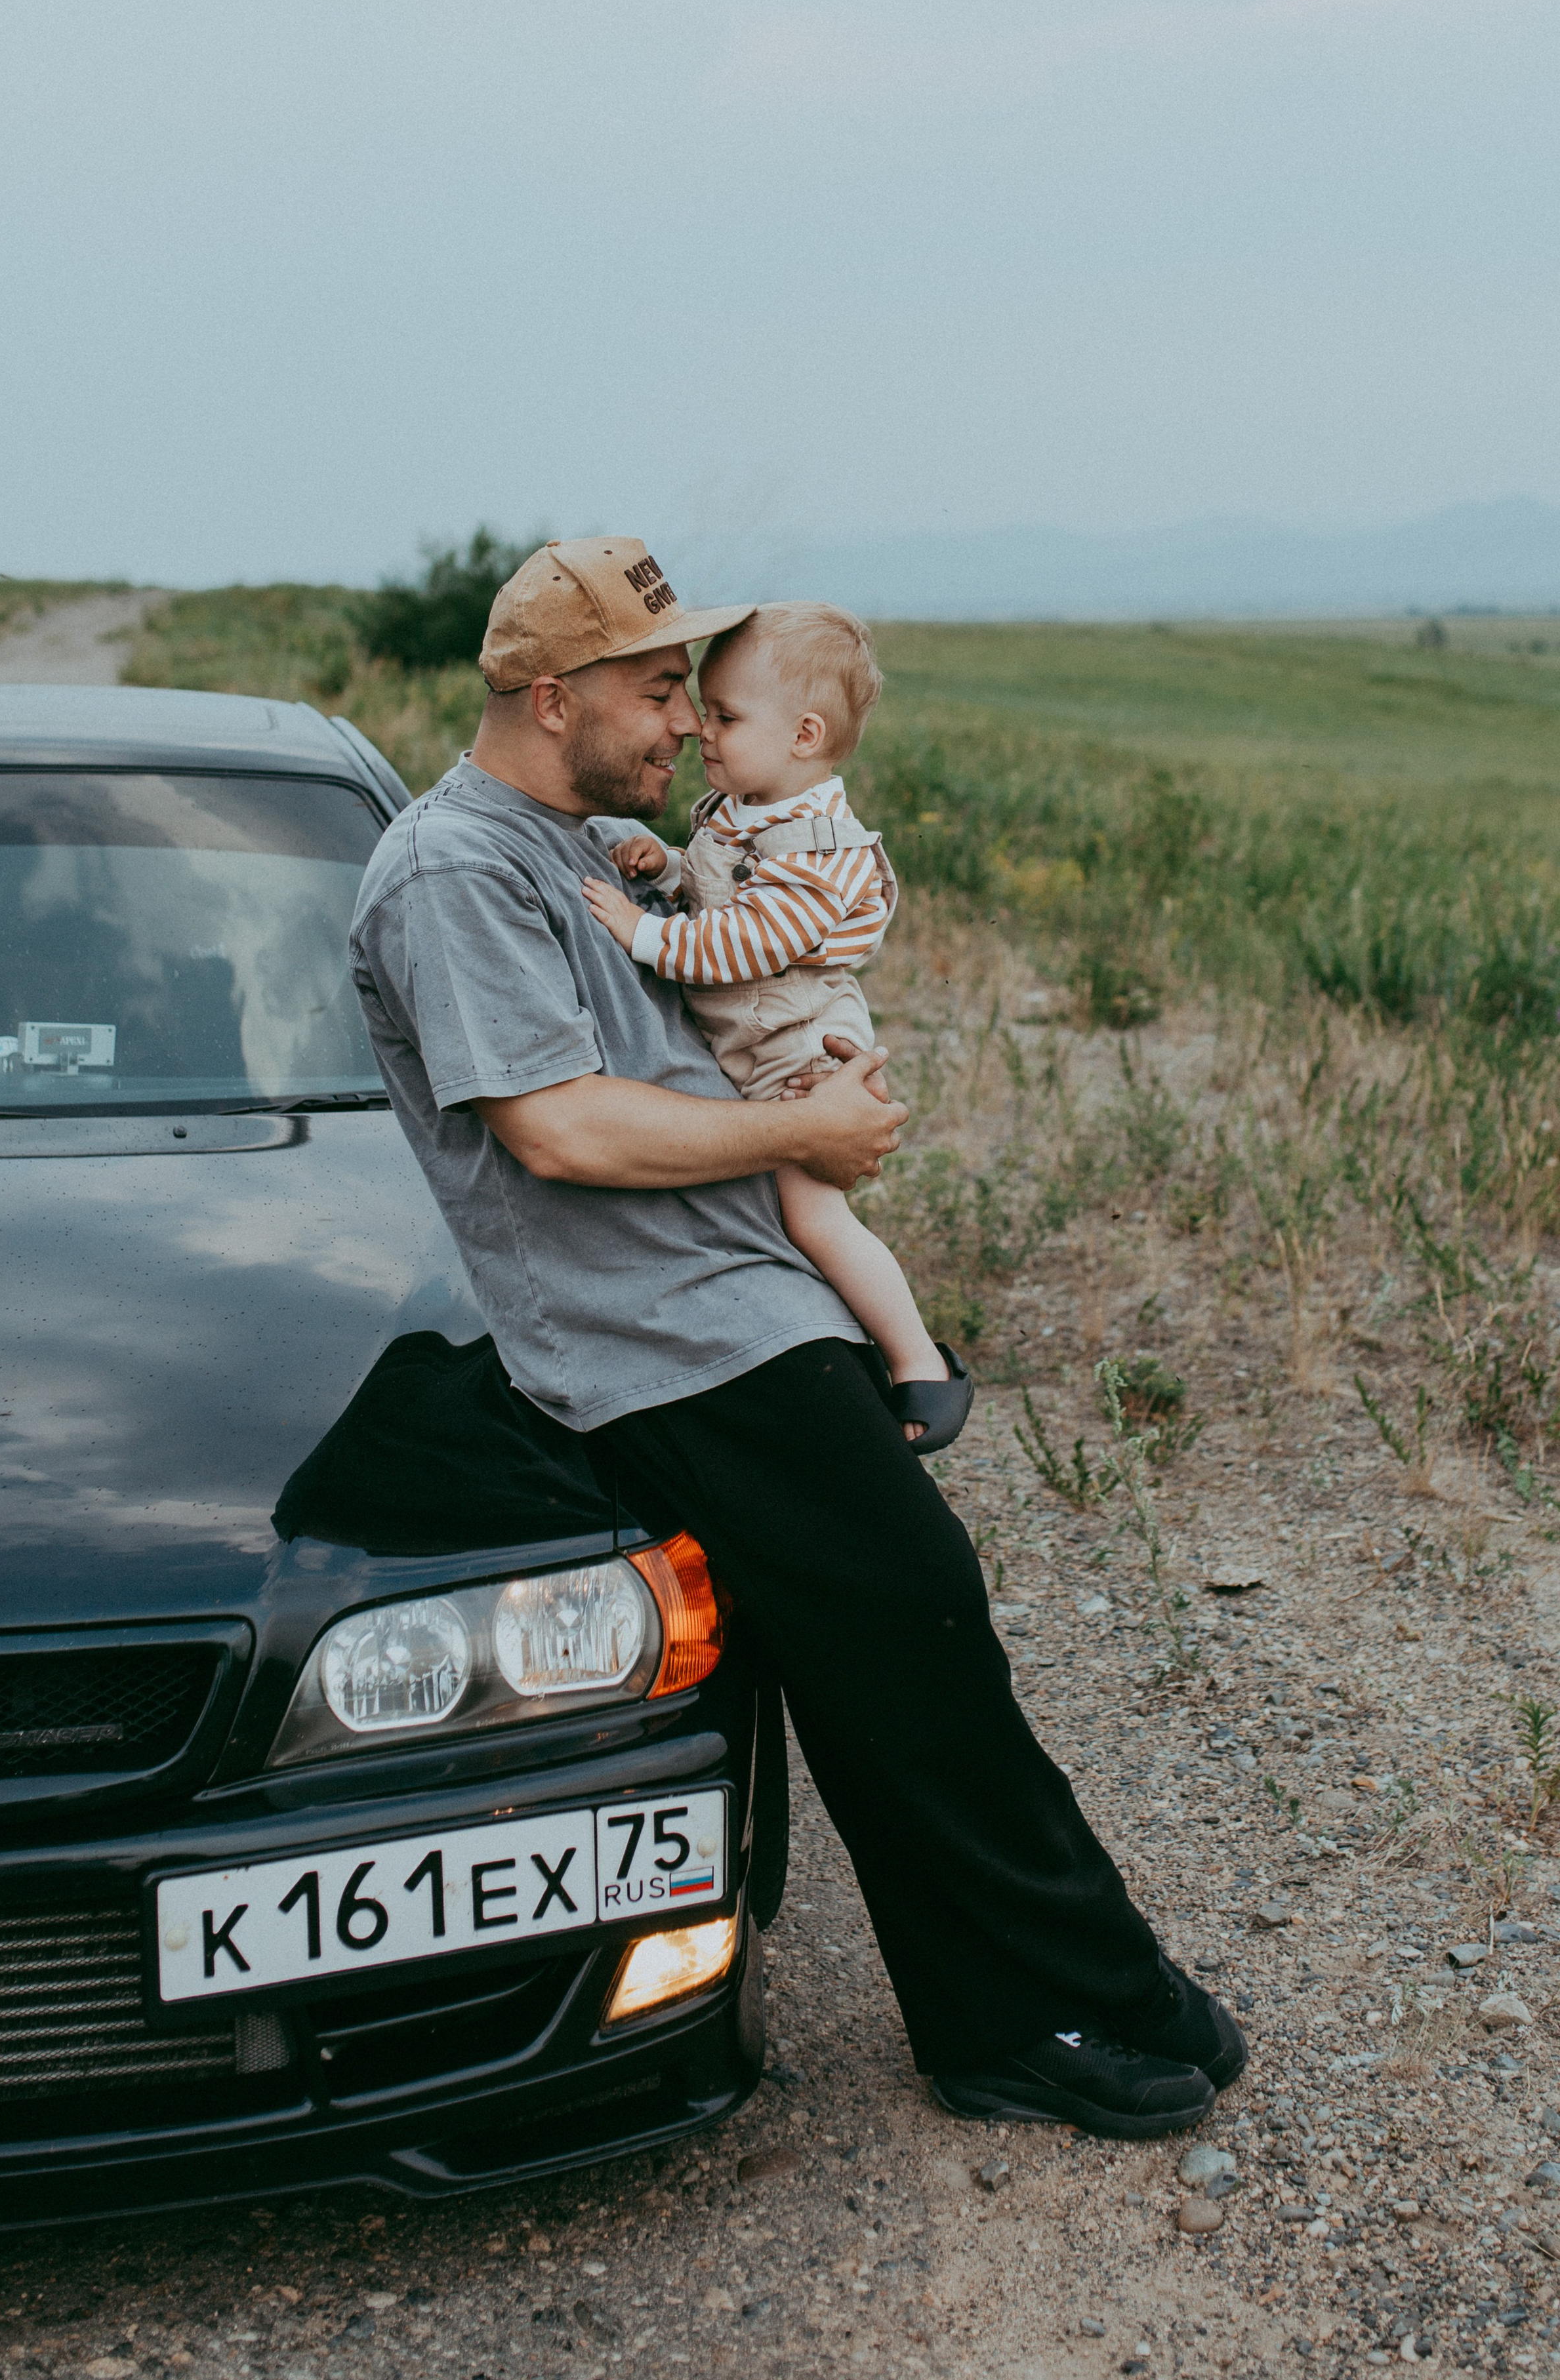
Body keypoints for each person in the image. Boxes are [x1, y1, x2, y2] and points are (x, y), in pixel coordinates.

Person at [348, 536, 1246, 2137]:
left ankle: (1092, 1985)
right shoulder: (452, 870)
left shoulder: (587, 841)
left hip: (744, 1299)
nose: (685, 722)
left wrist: (815, 1105)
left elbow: (742, 989)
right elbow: (558, 1128)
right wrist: (804, 1134)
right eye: (655, 689)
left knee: (897, 1632)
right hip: (657, 1336)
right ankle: (1028, 2017)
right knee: (907, 1615)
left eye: (692, 691)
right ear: (552, 698)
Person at [578, 600, 969, 1455]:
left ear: (804, 735)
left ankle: (919, 1361)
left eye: (726, 716)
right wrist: (668, 865)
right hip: (757, 1042)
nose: (701, 730)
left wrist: (641, 930)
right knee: (775, 1212)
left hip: (797, 1049)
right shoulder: (749, 807)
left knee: (814, 1217)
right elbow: (722, 889)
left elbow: (742, 943)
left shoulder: (820, 849)